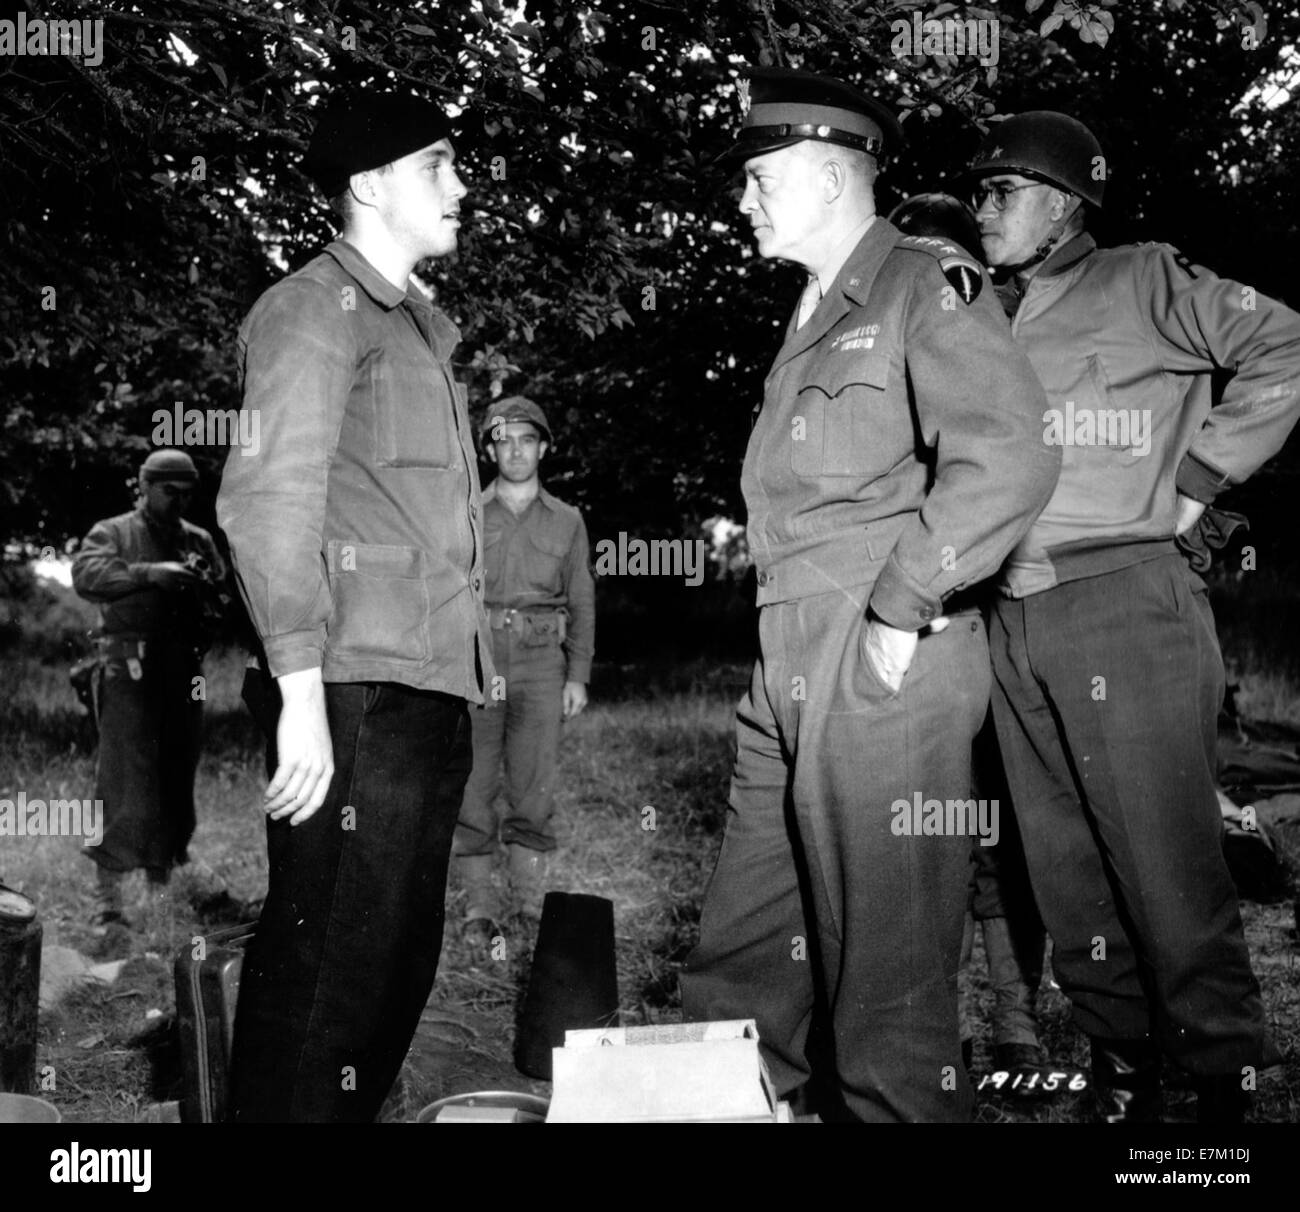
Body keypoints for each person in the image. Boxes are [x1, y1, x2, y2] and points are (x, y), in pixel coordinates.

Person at [679, 69, 1060, 1123]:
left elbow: (1010, 454)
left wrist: (900, 611)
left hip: (880, 654)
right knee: (743, 963)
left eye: (760, 179)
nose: (741, 201)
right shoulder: (811, 308)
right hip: (786, 659)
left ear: (836, 174)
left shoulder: (920, 280)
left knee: (885, 1001)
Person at [964, 110, 1300, 1122]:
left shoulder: (1141, 280)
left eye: (1002, 192)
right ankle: (1122, 1064)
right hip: (1010, 619)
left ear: (1063, 205)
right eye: (978, 193)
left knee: (1163, 862)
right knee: (1061, 868)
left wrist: (1198, 475)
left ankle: (1218, 1084)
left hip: (1121, 604)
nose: (983, 211)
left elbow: (1285, 343)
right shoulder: (979, 312)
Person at [216, 90, 494, 1123]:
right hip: (348, 694)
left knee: (389, 974)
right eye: (439, 167)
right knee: (325, 976)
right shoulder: (310, 312)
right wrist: (296, 692)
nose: (460, 188)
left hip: (421, 687)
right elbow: (264, 496)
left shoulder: (415, 326)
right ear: (372, 184)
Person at [890, 193, 1051, 1091]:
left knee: (1002, 837)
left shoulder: (1010, 337)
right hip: (923, 624)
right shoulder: (889, 342)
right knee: (922, 839)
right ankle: (932, 1026)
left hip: (1003, 620)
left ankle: (1017, 1021)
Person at [454, 398, 594, 944]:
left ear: (543, 447)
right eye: (504, 439)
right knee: (473, 786)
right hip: (480, 660)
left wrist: (577, 674)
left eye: (526, 439)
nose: (515, 450)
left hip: (541, 663)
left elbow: (581, 599)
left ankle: (531, 907)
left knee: (534, 789)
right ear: (489, 449)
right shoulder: (468, 512)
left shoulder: (567, 521)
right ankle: (479, 910)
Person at [72, 449, 225, 937]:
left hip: (181, 672)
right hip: (129, 669)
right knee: (120, 781)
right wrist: (147, 574)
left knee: (174, 779)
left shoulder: (197, 540)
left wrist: (202, 586)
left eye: (187, 493)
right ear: (144, 485)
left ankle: (161, 896)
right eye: (168, 491)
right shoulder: (113, 532)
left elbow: (222, 600)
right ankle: (108, 906)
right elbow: (87, 576)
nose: (178, 501)